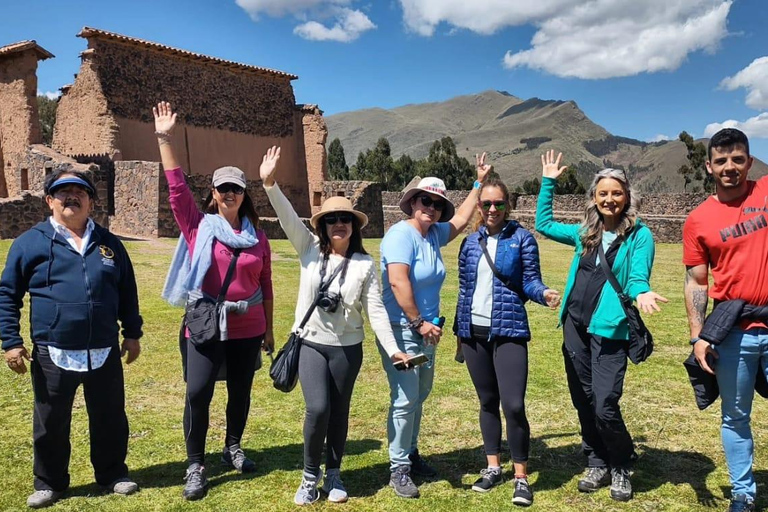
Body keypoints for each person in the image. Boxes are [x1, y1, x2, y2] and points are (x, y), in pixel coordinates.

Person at [259, 146, 408, 505]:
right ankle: (310, 476)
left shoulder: (365, 265)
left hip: (347, 349)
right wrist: (269, 184)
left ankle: (335, 474)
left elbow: (375, 312)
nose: (338, 223)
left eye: (344, 218)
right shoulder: (309, 249)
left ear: (354, 225)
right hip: (310, 343)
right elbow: (287, 218)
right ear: (322, 226)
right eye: (330, 218)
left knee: (339, 411)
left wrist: (393, 349)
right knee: (319, 408)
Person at [0, 170, 143, 509]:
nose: (71, 197)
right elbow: (7, 294)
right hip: (53, 351)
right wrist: (10, 341)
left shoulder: (110, 244)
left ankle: (111, 474)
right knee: (50, 421)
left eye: (80, 191)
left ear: (91, 201)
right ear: (49, 200)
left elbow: (127, 292)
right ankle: (49, 482)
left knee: (110, 417)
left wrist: (132, 333)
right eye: (62, 192)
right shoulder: (29, 243)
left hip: (104, 350)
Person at [153, 102, 274, 501]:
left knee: (240, 392)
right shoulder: (199, 227)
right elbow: (176, 192)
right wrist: (165, 139)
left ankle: (233, 446)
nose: (229, 194)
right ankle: (195, 464)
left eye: (236, 188)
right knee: (198, 392)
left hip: (248, 326)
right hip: (205, 324)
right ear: (213, 192)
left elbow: (267, 284)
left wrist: (269, 328)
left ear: (244, 193)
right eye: (223, 188)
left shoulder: (258, 237)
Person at [535, 150, 667, 502]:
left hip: (610, 329)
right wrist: (548, 182)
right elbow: (544, 225)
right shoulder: (585, 233)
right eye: (603, 193)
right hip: (574, 325)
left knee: (605, 402)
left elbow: (637, 277)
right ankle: (596, 460)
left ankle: (621, 463)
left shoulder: (639, 235)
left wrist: (642, 294)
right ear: (594, 198)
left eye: (617, 193)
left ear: (627, 197)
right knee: (583, 398)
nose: (610, 200)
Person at [379, 155, 491, 499]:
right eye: (425, 200)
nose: (431, 207)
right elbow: (399, 284)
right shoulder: (401, 235)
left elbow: (459, 221)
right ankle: (398, 467)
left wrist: (478, 183)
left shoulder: (432, 234)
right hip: (403, 329)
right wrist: (418, 322)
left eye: (437, 204)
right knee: (404, 397)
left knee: (420, 394)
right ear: (412, 202)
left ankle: (410, 453)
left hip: (428, 332)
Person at [454, 173, 560, 506]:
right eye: (486, 203)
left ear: (508, 205)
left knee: (513, 405)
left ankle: (520, 476)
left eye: (499, 203)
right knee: (487, 402)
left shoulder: (522, 239)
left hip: (510, 330)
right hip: (475, 334)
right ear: (479, 206)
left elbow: (530, 281)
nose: (492, 209)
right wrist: (460, 332)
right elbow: (464, 290)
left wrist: (542, 293)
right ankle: (492, 467)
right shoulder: (470, 243)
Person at [683, 128, 765, 512]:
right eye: (721, 161)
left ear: (749, 161)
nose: (730, 167)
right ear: (709, 166)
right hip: (733, 332)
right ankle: (744, 494)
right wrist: (698, 336)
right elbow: (697, 282)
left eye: (737, 159)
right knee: (735, 416)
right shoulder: (699, 219)